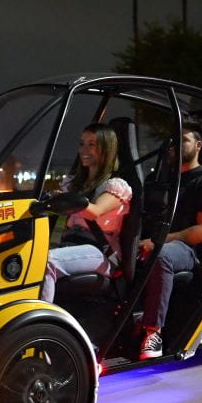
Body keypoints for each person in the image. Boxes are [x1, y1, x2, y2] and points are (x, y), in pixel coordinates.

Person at [137, 122, 202, 359]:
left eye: (183, 140)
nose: (176, 145)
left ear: (198, 145)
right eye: (173, 141)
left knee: (161, 256)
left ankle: (153, 333)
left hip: (187, 250)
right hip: (153, 241)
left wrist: (159, 241)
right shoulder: (160, 180)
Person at [40, 123, 132, 303]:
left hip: (99, 251)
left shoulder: (116, 186)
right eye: (82, 144)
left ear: (106, 149)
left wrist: (66, 199)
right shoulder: (74, 184)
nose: (84, 150)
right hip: (71, 244)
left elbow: (95, 212)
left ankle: (41, 317)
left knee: (47, 262)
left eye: (92, 144)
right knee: (27, 259)